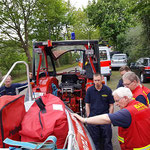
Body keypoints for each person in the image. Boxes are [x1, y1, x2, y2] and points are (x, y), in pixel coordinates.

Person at [73, 87, 150, 150]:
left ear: (125, 98)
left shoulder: (127, 112)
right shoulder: (141, 105)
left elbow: (106, 118)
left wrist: (84, 120)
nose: (116, 104)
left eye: (117, 101)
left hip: (135, 147)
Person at [85, 73, 114, 150]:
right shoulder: (90, 90)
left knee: (107, 140)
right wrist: (88, 117)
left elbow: (111, 105)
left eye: (98, 80)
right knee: (95, 140)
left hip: (105, 119)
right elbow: (87, 104)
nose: (97, 82)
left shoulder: (107, 90)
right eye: (95, 80)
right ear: (93, 81)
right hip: (93, 119)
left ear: (102, 80)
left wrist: (110, 117)